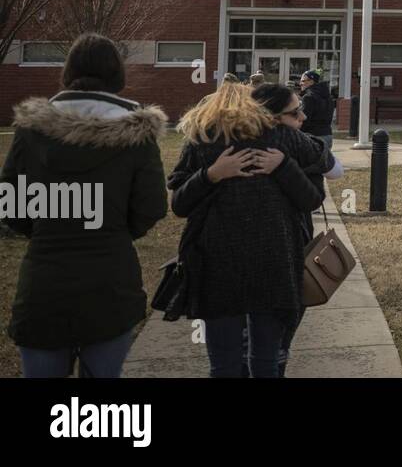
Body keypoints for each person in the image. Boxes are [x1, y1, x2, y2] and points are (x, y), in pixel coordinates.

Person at [2, 33, 168, 378]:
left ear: (68, 70)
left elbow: (12, 205)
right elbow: (151, 206)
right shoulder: (138, 132)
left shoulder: (31, 129)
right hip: (111, 280)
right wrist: (112, 229)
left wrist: (53, 225)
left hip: (44, 281)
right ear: (117, 73)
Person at [168, 81, 329, 377]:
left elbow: (179, 204)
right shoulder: (283, 138)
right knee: (265, 361)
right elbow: (316, 188)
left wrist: (211, 175)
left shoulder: (203, 140)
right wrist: (216, 174)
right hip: (271, 263)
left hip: (218, 264)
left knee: (225, 364)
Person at [251, 82, 344, 376]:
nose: (302, 117)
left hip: (248, 257)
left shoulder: (225, 141)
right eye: (295, 113)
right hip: (284, 252)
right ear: (273, 118)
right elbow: (335, 171)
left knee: (242, 346)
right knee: (275, 338)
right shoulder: (297, 143)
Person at [298, 68, 334, 151]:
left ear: (311, 81)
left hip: (313, 137)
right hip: (328, 135)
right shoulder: (329, 97)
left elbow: (305, 120)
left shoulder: (308, 97)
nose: (300, 83)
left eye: (303, 81)